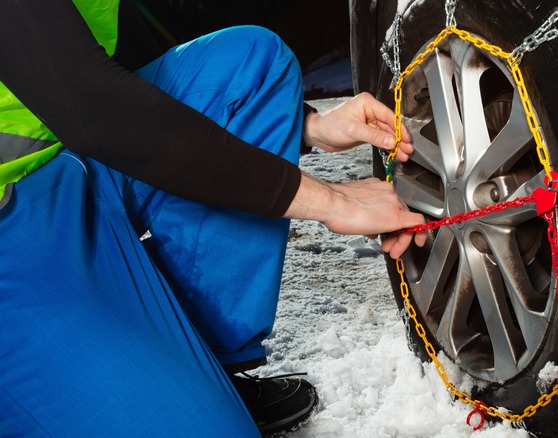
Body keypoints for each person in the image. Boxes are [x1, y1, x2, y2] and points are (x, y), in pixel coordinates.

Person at [0, 0, 426, 436]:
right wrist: (332, 201)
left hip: (63, 172)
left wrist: (298, 124)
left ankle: (206, 367)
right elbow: (92, 107)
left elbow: (125, 79)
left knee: (250, 68)